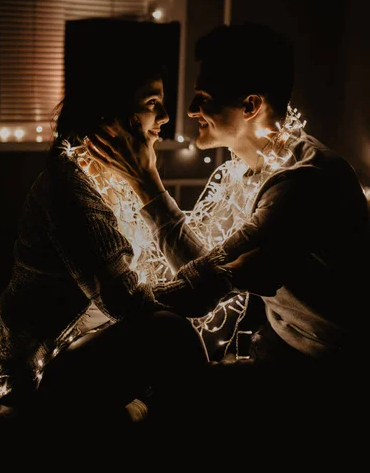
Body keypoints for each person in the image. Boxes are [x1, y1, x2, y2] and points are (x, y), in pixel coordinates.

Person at [86, 21, 370, 436]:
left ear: (251, 105)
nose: (188, 111)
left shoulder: (303, 183)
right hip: (273, 342)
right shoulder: (240, 169)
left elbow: (204, 287)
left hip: (326, 371)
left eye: (204, 99)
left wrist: (147, 183)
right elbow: (199, 261)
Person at [0, 30, 240, 445]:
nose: (166, 117)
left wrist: (148, 182)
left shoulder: (121, 174)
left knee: (173, 330)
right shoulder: (69, 185)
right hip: (38, 369)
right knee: (169, 331)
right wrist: (204, 285)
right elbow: (125, 299)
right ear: (109, 114)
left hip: (88, 345)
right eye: (152, 104)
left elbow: (152, 273)